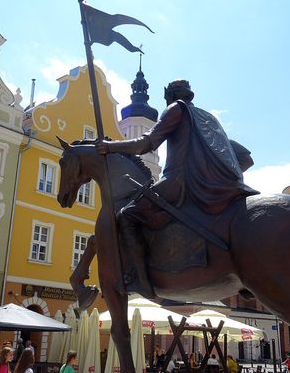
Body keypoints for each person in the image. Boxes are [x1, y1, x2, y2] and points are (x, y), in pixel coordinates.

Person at [96, 79, 258, 297]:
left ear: (168, 96)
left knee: (127, 215)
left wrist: (109, 147)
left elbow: (146, 144)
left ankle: (141, 281)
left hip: (177, 182)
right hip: (216, 188)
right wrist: (211, 177)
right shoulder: (206, 119)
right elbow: (245, 158)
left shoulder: (176, 109)